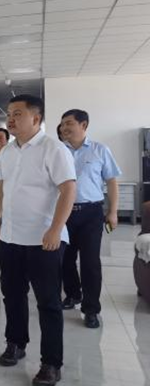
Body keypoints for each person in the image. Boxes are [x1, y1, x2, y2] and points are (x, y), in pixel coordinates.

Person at [0, 94, 76, 386]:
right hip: (11, 237)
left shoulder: (54, 149)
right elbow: (0, 188)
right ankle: (16, 342)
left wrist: (55, 229)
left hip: (44, 240)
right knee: (12, 295)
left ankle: (51, 363)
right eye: (8, 114)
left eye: (17, 114)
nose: (10, 119)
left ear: (36, 118)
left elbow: (68, 190)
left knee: (48, 302)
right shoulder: (6, 151)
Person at [59, 109, 121, 329]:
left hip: (91, 213)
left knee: (90, 262)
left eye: (69, 123)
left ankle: (91, 309)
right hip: (64, 212)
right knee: (64, 259)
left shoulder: (100, 150)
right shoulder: (58, 150)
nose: (64, 128)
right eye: (62, 124)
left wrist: (113, 211)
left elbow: (111, 182)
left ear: (83, 125)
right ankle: (73, 294)